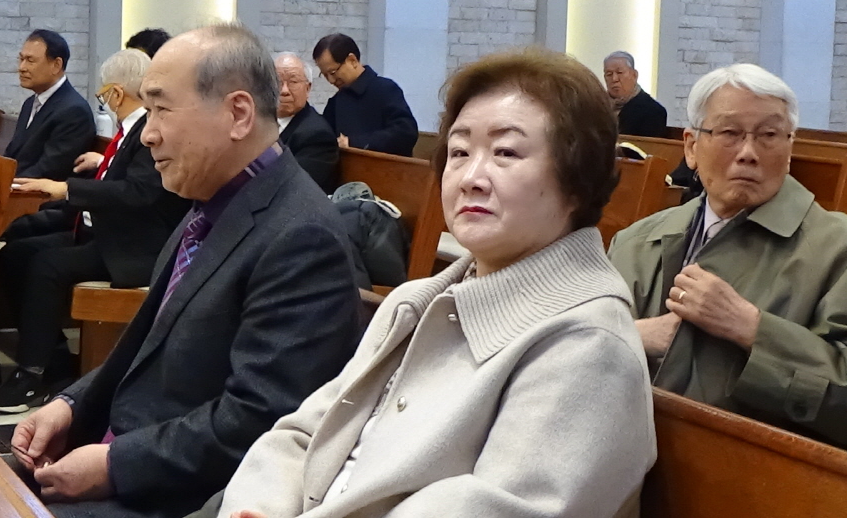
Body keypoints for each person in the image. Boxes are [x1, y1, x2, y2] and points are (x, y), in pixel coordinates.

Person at [211, 48, 655, 518]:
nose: (470, 178)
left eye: (505, 152)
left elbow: (500, 507)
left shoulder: (590, 344)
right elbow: (302, 435)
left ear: (579, 178)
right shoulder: (413, 301)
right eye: (459, 152)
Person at [8, 24, 361, 518]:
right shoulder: (211, 203)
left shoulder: (302, 238)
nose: (147, 133)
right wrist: (69, 404)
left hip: (182, 495)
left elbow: (259, 421)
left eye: (161, 109)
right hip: (133, 447)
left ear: (238, 114)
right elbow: (148, 346)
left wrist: (114, 465)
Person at [609, 63, 847, 446]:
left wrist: (752, 329)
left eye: (768, 135)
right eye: (729, 133)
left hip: (747, 467)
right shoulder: (636, 240)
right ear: (691, 147)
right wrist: (630, 335)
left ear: (789, 148)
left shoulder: (843, 247)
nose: (748, 153)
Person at [0, 49, 190, 411]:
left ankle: (32, 374)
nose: (103, 102)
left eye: (103, 94)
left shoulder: (148, 131)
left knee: (47, 267)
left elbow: (139, 192)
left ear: (116, 93)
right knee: (15, 255)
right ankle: (53, 358)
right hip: (104, 231)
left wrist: (65, 188)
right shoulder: (131, 129)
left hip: (131, 245)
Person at [5, 29, 97, 180]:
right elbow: (13, 154)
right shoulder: (30, 103)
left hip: (38, 192)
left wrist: (7, 183)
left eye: (30, 60)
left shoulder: (74, 111)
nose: (22, 67)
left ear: (56, 65)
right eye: (21, 59)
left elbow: (51, 170)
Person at [313, 33, 417, 157]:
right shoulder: (336, 102)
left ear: (352, 60)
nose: (331, 80)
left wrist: (354, 143)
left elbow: (406, 133)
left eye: (333, 72)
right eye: (325, 75)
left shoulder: (386, 89)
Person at [274, 52, 338, 193]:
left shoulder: (317, 135)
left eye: (293, 82)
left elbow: (294, 188)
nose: (284, 91)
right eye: (278, 82)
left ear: (307, 88)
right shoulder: (258, 121)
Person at [604, 51, 667, 138]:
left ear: (634, 75)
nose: (614, 79)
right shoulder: (597, 107)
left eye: (620, 73)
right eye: (609, 74)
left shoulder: (653, 111)